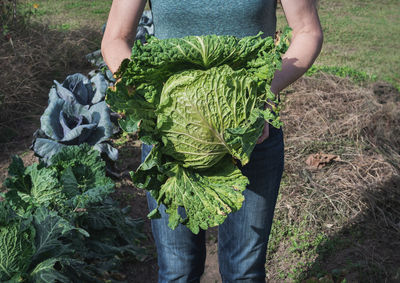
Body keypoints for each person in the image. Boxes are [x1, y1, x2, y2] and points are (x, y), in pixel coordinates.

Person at [101, 0, 323, 282]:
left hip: (249, 135)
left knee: (244, 273)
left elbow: (307, 31)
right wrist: (145, 92)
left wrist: (266, 91)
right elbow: (116, 38)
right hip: (172, 142)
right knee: (177, 271)